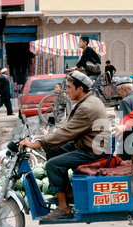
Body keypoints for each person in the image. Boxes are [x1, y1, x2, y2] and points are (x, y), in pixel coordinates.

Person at [19, 71, 111, 219]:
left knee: (52, 165)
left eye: (69, 87)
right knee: (53, 150)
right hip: (87, 144)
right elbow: (66, 129)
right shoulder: (87, 101)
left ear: (80, 89)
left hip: (93, 151)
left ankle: (64, 207)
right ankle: (68, 193)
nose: (66, 90)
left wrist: (37, 143)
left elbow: (66, 132)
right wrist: (45, 140)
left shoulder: (87, 107)